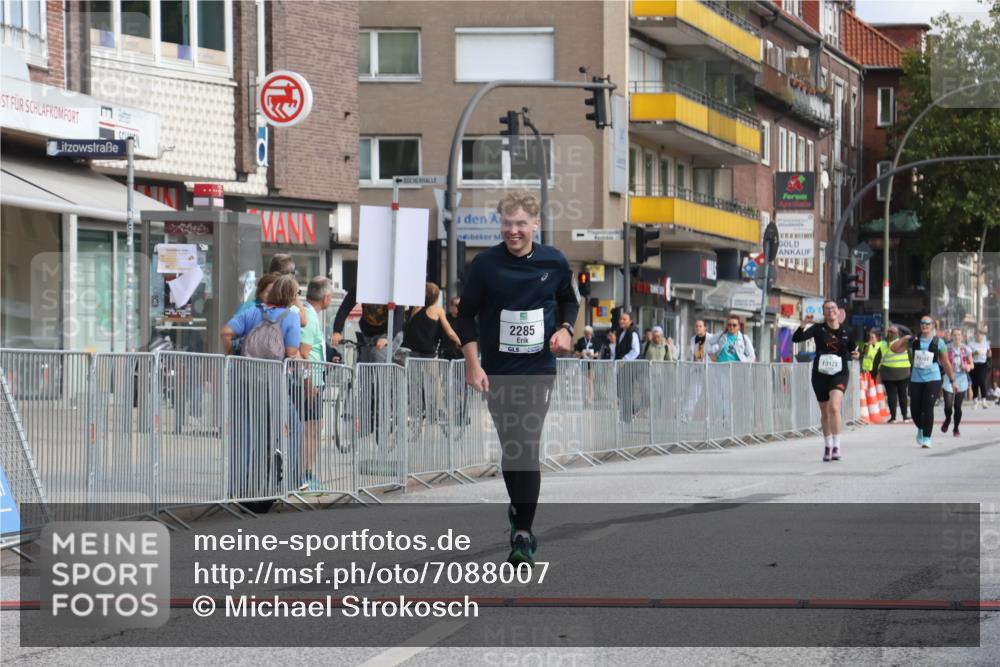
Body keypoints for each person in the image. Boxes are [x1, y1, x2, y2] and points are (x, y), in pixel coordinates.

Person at [454, 190, 578, 567]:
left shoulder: (554, 261)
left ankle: (523, 534)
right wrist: (473, 365)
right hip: (498, 370)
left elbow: (569, 300)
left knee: (527, 445)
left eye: (521, 224)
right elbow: (465, 316)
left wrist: (566, 330)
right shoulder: (485, 265)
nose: (513, 231)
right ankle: (518, 510)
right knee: (512, 449)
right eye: (507, 224)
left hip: (538, 369)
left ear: (535, 224)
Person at [220, 274, 303, 503]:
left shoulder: (254, 311)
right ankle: (290, 480)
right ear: (291, 296)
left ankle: (238, 488)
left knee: (247, 433)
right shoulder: (291, 317)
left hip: (246, 378)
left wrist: (233, 355)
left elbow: (226, 332)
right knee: (293, 428)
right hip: (272, 381)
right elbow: (292, 351)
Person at [792, 300, 859, 462]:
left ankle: (837, 445)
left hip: (839, 373)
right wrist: (803, 324)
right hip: (820, 374)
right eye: (827, 309)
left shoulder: (847, 331)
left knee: (835, 407)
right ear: (824, 313)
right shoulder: (818, 329)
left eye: (833, 308)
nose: (830, 311)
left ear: (838, 312)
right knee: (825, 412)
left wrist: (856, 354)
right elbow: (796, 339)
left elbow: (853, 349)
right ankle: (828, 445)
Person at [889, 315, 955, 449]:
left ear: (932, 326)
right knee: (914, 411)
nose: (924, 325)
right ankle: (920, 428)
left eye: (927, 323)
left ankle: (927, 438)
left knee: (928, 408)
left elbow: (946, 363)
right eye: (922, 323)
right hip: (916, 379)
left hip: (933, 378)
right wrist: (905, 338)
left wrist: (952, 380)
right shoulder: (914, 341)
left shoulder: (939, 342)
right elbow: (894, 349)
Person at [296, 277, 335, 491]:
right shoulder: (309, 317)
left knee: (314, 427)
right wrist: (309, 383)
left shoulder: (309, 314)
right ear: (327, 298)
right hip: (309, 383)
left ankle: (307, 473)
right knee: (311, 429)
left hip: (313, 380)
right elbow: (303, 353)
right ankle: (305, 474)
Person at [331, 289, 405, 363]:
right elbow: (345, 307)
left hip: (390, 332)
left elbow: (399, 315)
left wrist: (387, 337)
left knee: (377, 354)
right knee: (364, 363)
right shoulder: (363, 285)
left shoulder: (391, 287)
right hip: (368, 334)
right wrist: (337, 331)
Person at [402, 282, 461, 359]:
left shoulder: (416, 308)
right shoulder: (438, 310)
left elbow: (409, 325)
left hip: (413, 352)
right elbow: (449, 332)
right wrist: (459, 342)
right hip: (429, 353)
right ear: (436, 296)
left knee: (414, 371)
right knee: (431, 371)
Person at [942, 329, 974, 438]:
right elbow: (941, 361)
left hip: (961, 379)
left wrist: (968, 367)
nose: (957, 337)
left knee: (957, 407)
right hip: (949, 378)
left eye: (959, 335)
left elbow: (972, 364)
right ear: (951, 336)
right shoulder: (946, 348)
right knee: (948, 406)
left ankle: (956, 428)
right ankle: (947, 419)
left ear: (962, 336)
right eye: (955, 335)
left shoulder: (966, 349)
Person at [880, 325, 912, 423]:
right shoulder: (904, 343)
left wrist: (874, 373)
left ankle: (893, 417)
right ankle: (905, 416)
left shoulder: (882, 344)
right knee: (903, 395)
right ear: (897, 334)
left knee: (891, 396)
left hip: (888, 373)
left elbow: (877, 359)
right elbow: (910, 356)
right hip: (903, 372)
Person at [969, 330, 992, 409]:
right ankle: (975, 401)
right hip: (973, 364)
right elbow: (967, 354)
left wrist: (989, 354)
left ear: (983, 336)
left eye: (980, 335)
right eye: (977, 335)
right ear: (974, 335)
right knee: (974, 383)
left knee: (982, 382)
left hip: (983, 364)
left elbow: (989, 352)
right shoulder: (971, 344)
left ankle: (984, 401)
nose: (978, 337)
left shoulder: (986, 343)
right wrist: (974, 353)